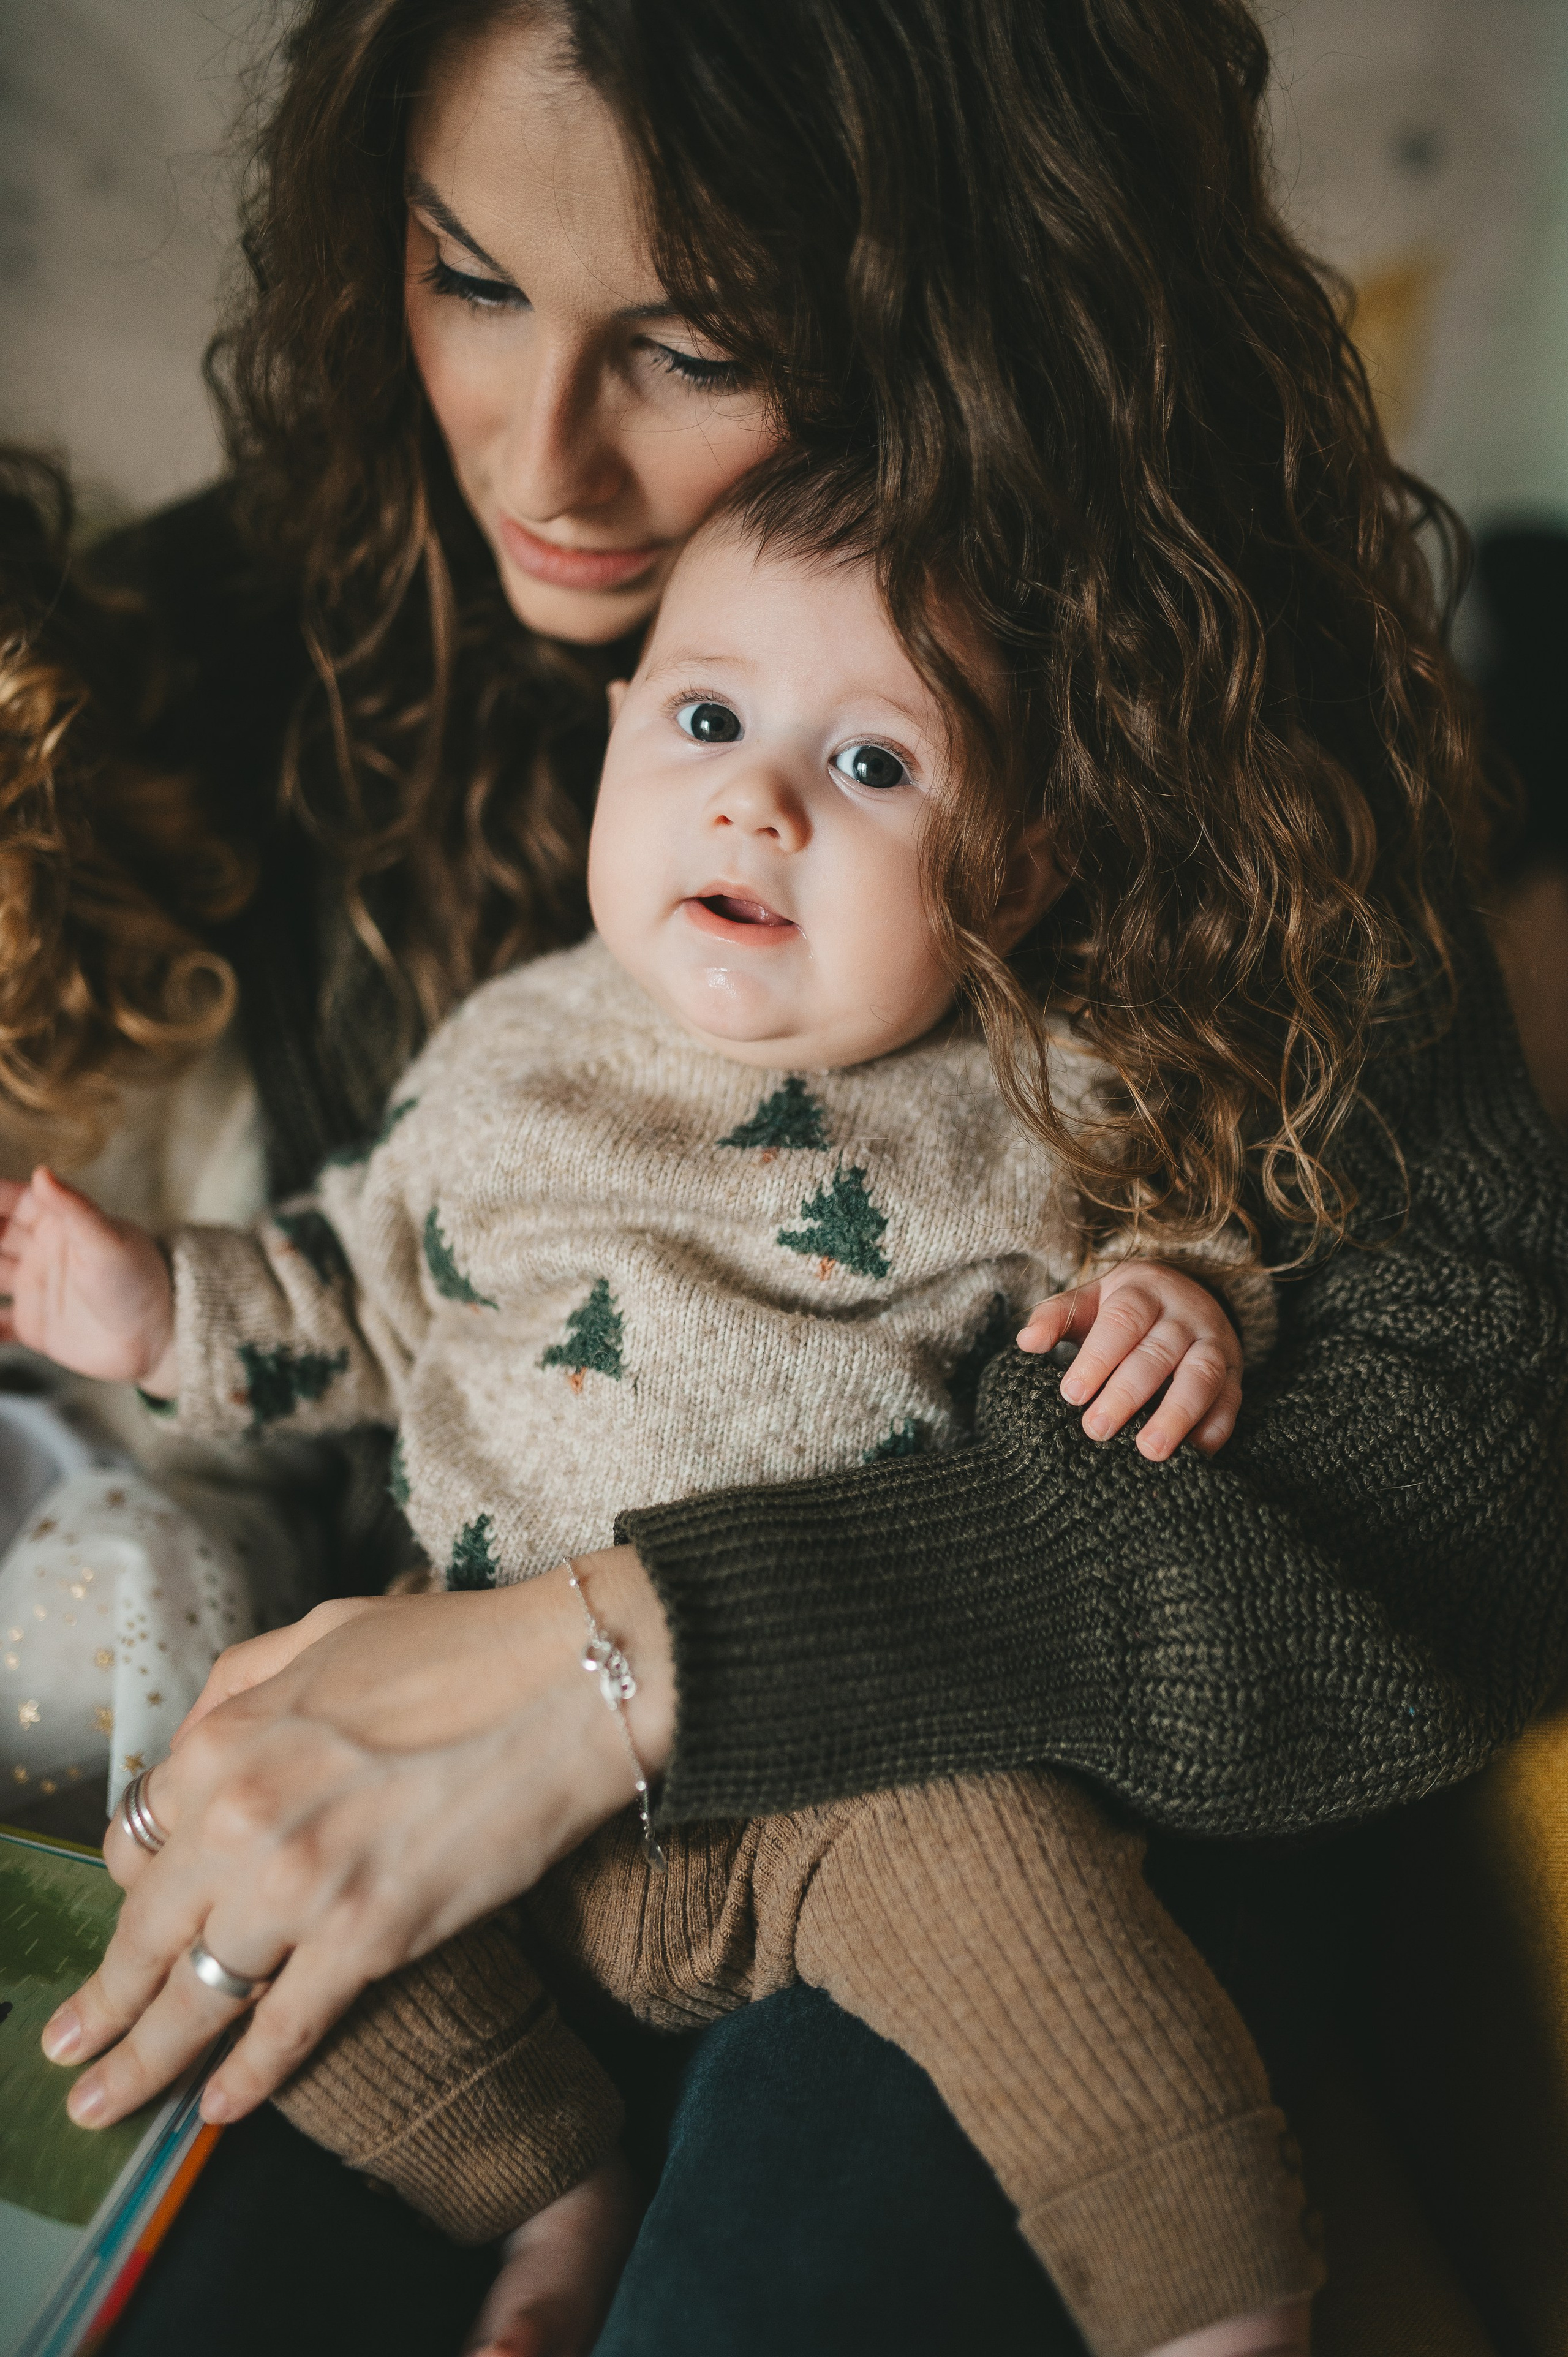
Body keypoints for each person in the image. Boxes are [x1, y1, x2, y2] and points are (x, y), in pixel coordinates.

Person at [2, 1, 1564, 2350]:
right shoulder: (269, 627)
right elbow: (322, 1283)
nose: (543, 457)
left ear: (964, 322)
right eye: (468, 275)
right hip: (467, 1849)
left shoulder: (1172, 728)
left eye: (697, 340)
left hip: (993, 1779)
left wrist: (623, 1662)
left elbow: (1470, 1467)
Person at [6, 474, 1319, 2357]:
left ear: (1014, 870)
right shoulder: (505, 1053)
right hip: (441, 1761)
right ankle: (546, 2188)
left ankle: (1214, 2291)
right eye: (706, 720)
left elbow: (1201, 1217)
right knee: (188, 1810)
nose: (760, 796)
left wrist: (1183, 1303)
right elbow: (351, 1302)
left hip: (835, 1780)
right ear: (620, 734)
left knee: (1027, 1898)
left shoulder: (1036, 1082)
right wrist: (158, 1306)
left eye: (873, 765)